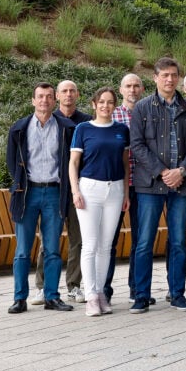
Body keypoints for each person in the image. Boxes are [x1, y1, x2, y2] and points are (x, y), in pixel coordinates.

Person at [129, 57, 186, 314]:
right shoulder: (142, 108)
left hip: (181, 185)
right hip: (150, 185)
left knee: (178, 242)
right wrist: (162, 172)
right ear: (155, 78)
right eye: (165, 75)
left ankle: (177, 294)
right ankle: (141, 295)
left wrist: (181, 170)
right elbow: (137, 145)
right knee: (144, 241)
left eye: (174, 75)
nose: (170, 79)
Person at [6, 82, 76, 314]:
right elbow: (11, 162)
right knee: (23, 250)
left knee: (53, 249)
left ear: (54, 100)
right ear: (32, 100)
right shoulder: (19, 128)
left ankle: (52, 297)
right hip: (27, 193)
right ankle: (19, 298)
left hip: (55, 193)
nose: (44, 101)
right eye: (40, 97)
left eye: (48, 97)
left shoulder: (67, 128)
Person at [69, 87, 130, 316]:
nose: (106, 106)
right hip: (89, 189)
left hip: (114, 190)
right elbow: (73, 163)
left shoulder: (121, 130)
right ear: (94, 104)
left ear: (115, 105)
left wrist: (125, 194)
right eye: (101, 102)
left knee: (106, 247)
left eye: (110, 102)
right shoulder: (83, 129)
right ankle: (91, 295)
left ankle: (102, 293)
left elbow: (125, 164)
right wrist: (76, 191)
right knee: (90, 245)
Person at [30, 79, 90, 306]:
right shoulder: (48, 120)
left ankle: (74, 286)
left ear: (78, 94)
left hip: (78, 189)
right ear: (57, 96)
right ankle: (43, 287)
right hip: (54, 190)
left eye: (72, 91)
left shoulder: (86, 122)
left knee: (78, 239)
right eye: (64, 91)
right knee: (48, 241)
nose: (68, 95)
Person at [109, 73, 150, 305]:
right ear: (121, 89)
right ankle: (105, 289)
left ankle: (137, 289)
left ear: (142, 89)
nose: (132, 90)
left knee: (140, 241)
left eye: (136, 86)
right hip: (116, 186)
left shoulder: (148, 115)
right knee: (109, 240)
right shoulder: (112, 115)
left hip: (143, 185)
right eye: (128, 86)